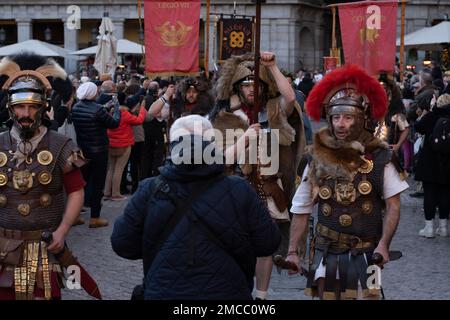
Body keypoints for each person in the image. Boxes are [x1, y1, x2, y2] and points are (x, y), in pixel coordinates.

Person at [111, 115, 281, 299]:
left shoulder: (149, 189)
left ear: (172, 145)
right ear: (212, 145)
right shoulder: (238, 189)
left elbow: (123, 244)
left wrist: (156, 247)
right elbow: (268, 242)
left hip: (164, 291)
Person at [286, 64, 409, 300]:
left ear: (360, 119)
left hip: (367, 251)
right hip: (327, 251)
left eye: (348, 117)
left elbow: (393, 206)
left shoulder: (381, 157)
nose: (341, 124)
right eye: (336, 117)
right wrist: (293, 251)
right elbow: (301, 208)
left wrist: (384, 244)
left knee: (369, 297)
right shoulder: (316, 157)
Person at [0, 52, 98, 299]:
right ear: (11, 108)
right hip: (2, 249)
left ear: (43, 107)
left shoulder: (61, 145)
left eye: (32, 107)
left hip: (43, 248)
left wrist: (63, 230)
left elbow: (76, 190)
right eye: (20, 107)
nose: (26, 113)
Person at [210, 52, 305, 300]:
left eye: (256, 84)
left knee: (265, 246)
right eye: (247, 84)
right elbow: (220, 161)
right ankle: (238, 291)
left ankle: (260, 296)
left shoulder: (274, 111)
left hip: (269, 188)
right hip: (235, 188)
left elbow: (290, 97)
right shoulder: (225, 117)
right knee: (236, 246)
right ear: (237, 88)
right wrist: (244, 140)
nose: (252, 90)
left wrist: (272, 68)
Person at [71, 82, 121, 228]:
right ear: (93, 93)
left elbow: (93, 114)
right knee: (98, 184)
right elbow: (114, 123)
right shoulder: (98, 109)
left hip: (83, 151)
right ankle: (94, 218)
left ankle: (75, 216)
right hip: (99, 151)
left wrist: (106, 107)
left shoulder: (76, 107)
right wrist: (116, 109)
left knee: (80, 183)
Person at [415, 93, 450, 238]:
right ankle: (443, 228)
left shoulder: (431, 116)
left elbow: (418, 127)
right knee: (445, 194)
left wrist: (428, 111)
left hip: (429, 162)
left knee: (429, 194)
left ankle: (429, 228)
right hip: (447, 162)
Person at [104, 92, 146, 200]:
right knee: (119, 169)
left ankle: (107, 192)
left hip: (111, 143)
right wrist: (142, 108)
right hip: (124, 143)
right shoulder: (124, 113)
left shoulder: (111, 112)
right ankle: (116, 194)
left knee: (111, 169)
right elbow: (139, 120)